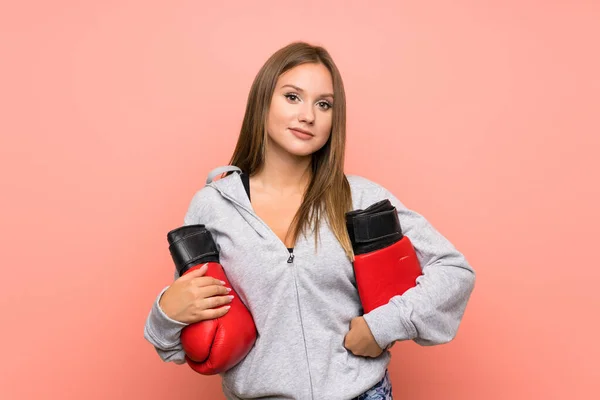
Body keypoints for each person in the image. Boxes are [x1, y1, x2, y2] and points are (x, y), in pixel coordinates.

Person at [143, 41, 476, 400]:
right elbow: (181, 339)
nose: (308, 116)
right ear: (263, 100)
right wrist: (165, 314)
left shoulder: (358, 198)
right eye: (292, 97)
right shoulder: (214, 206)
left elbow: (454, 271)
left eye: (324, 104)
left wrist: (382, 326)